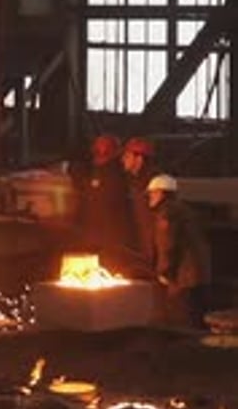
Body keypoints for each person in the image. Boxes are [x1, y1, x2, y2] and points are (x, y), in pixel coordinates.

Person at [146, 173, 211, 329]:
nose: (150, 197)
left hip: (183, 276)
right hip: (196, 273)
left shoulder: (167, 213)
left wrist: (164, 272)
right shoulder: (182, 209)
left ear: (161, 193)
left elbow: (167, 245)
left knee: (182, 319)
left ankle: (185, 348)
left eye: (152, 193)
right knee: (195, 316)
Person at [80, 134, 134, 271]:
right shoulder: (98, 171)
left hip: (111, 236)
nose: (96, 150)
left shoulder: (115, 174)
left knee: (111, 267)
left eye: (100, 147)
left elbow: (114, 205)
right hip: (96, 234)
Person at [121, 135, 159, 274]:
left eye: (127, 155)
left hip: (154, 249)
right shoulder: (135, 182)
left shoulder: (154, 185)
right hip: (144, 247)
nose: (123, 159)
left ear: (139, 158)